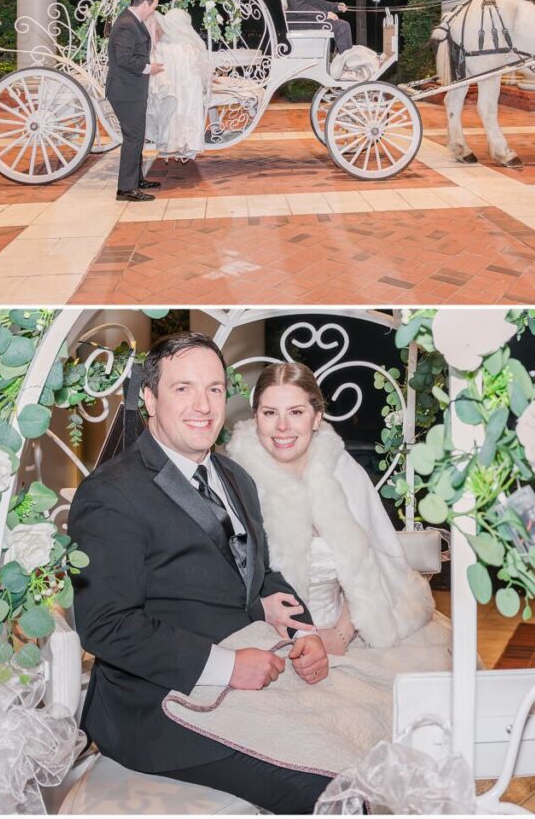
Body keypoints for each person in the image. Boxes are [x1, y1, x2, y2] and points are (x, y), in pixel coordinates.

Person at [68, 333, 331, 814]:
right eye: (183, 388)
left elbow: (257, 572)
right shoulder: (111, 492)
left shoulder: (235, 478)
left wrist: (303, 632)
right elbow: (105, 625)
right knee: (321, 789)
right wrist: (229, 666)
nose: (203, 405)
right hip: (157, 706)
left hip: (247, 685)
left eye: (214, 389)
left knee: (354, 745)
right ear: (149, 398)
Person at [226, 362, 438, 655]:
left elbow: (371, 563)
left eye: (296, 412)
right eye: (270, 413)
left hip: (344, 635)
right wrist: (261, 611)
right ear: (256, 417)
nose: (282, 426)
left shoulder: (340, 471)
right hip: (262, 639)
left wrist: (341, 632)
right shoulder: (234, 478)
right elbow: (218, 579)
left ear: (316, 418)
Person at [105, 0, 165, 201]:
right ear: (145, 3)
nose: (153, 11)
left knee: (136, 136)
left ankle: (137, 180)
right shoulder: (126, 25)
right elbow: (124, 59)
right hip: (125, 91)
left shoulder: (131, 22)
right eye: (154, 6)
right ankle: (126, 189)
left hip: (131, 89)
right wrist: (150, 67)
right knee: (133, 137)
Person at [144, 8, 213, 160]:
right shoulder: (192, 49)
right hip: (189, 96)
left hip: (169, 95)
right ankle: (189, 141)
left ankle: (170, 140)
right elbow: (203, 77)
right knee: (188, 106)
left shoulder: (162, 48)